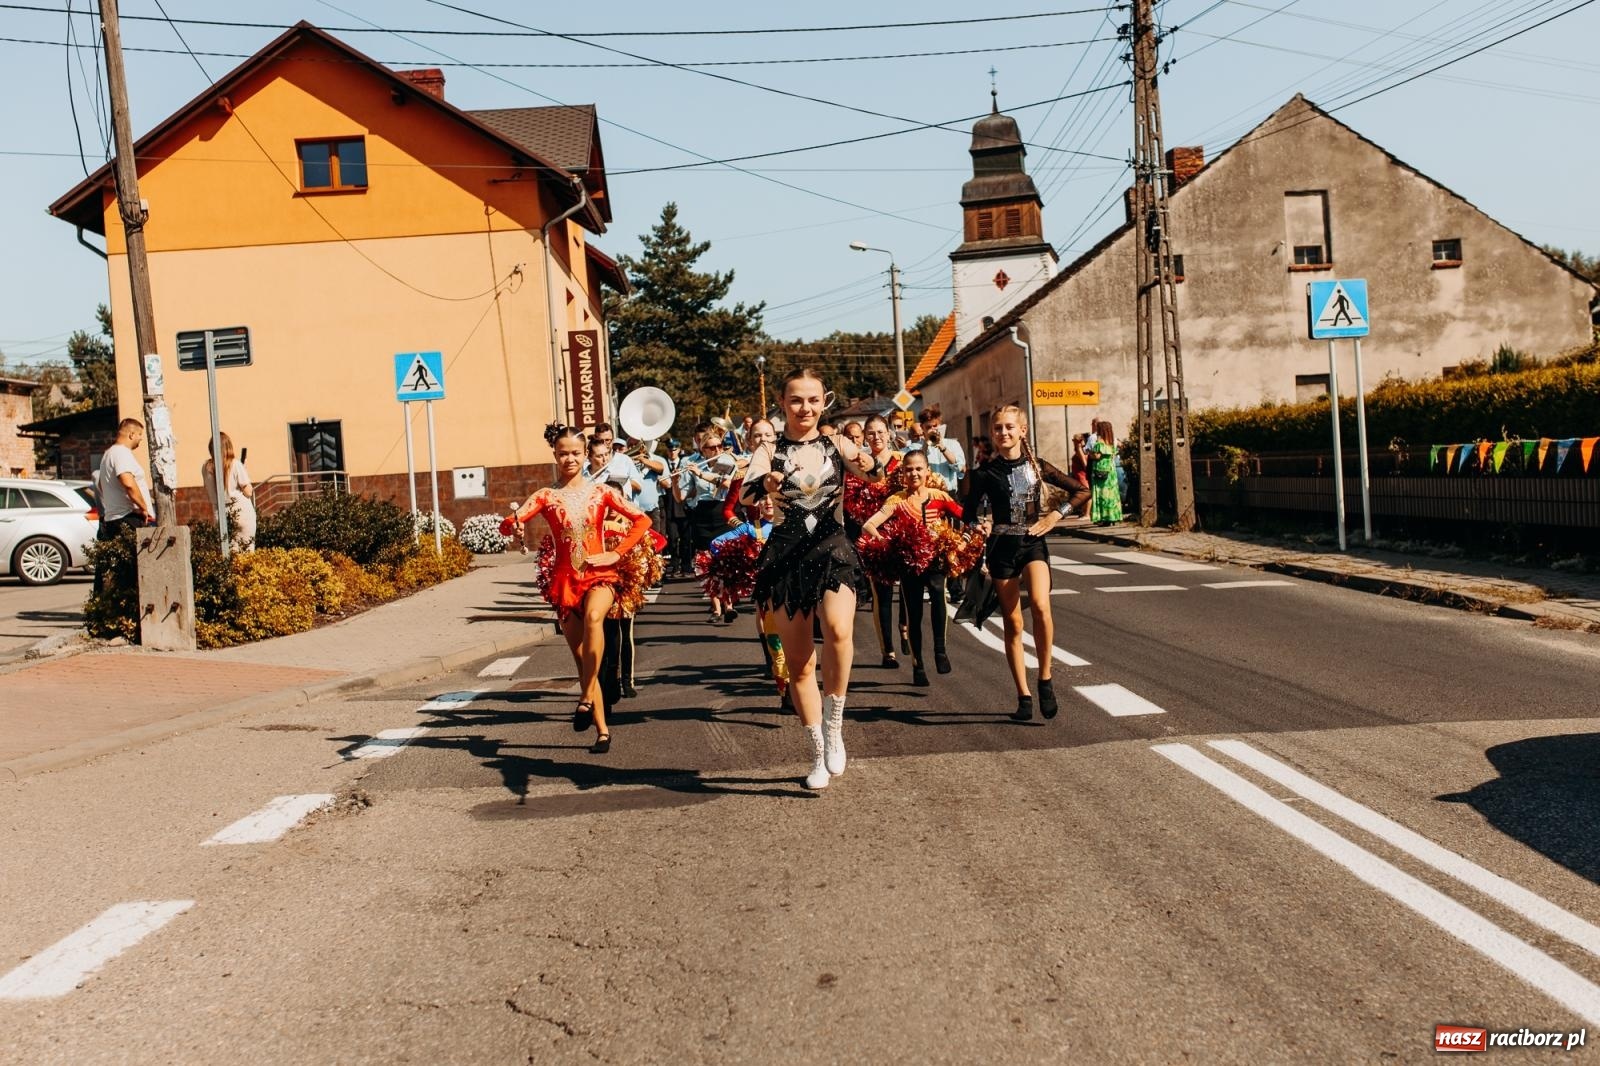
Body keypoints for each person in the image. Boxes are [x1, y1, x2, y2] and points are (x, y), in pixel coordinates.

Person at [741, 368, 878, 790]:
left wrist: (871, 454)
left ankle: (836, 721)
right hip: (785, 558)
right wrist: (765, 482)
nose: (806, 407)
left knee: (839, 630)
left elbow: (874, 473)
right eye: (797, 400)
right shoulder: (770, 449)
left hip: (832, 548)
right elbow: (747, 493)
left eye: (814, 399)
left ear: (825, 401)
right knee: (799, 663)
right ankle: (817, 749)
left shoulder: (837, 442)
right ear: (782, 404)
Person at [507, 424, 652, 753]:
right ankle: (602, 730)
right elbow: (517, 519)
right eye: (563, 453)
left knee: (594, 618)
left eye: (575, 452)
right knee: (582, 660)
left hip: (600, 573)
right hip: (564, 581)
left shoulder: (602, 492)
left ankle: (586, 696)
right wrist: (511, 521)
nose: (569, 458)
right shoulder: (546, 495)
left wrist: (616, 553)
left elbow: (642, 520)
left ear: (585, 455)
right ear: (555, 456)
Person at [964, 404, 1079, 721]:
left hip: (1032, 543)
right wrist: (979, 526)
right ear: (993, 434)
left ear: (1022, 431)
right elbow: (968, 512)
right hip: (1001, 547)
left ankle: (1044, 678)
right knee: (1013, 624)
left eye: (1009, 427)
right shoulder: (985, 473)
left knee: (1041, 605)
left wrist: (1056, 515)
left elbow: (1080, 490)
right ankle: (1023, 695)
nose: (1003, 433)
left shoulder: (1038, 468)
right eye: (998, 428)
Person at [861, 450, 963, 687]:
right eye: (909, 469)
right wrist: (888, 543)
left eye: (919, 469)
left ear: (927, 471)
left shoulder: (939, 496)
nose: (914, 473)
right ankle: (918, 664)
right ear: (903, 474)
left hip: (936, 561)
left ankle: (940, 650)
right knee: (914, 613)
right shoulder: (897, 500)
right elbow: (869, 525)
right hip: (910, 565)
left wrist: (961, 539)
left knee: (938, 593)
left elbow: (964, 516)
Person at [677, 423, 739, 622]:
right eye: (712, 448)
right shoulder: (693, 462)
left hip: (723, 511)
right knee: (708, 564)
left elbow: (727, 484)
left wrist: (701, 474)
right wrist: (675, 482)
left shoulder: (727, 462)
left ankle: (728, 605)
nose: (717, 450)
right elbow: (683, 496)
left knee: (726, 562)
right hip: (703, 513)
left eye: (719, 446)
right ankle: (716, 607)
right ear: (702, 449)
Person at [94, 418, 155, 594]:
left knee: (123, 570)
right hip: (129, 518)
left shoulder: (108, 455)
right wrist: (143, 506)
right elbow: (128, 482)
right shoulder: (121, 454)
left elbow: (100, 486)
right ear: (131, 434)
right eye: (140, 435)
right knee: (136, 571)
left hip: (116, 517)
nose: (140, 440)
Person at [202, 431, 256, 551]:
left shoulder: (206, 467)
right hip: (241, 511)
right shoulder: (235, 464)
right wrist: (244, 470)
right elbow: (248, 492)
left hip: (220, 513)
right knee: (247, 552)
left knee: (228, 553)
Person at [907, 404, 966, 490]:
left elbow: (960, 468)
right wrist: (926, 444)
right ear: (922, 427)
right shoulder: (915, 447)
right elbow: (916, 464)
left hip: (948, 493)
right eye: (928, 427)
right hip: (927, 493)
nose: (932, 429)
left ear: (940, 425)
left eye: (935, 426)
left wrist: (943, 448)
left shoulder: (953, 444)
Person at [1089, 420, 1125, 525]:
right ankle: (1113, 517)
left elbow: (1097, 456)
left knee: (1101, 494)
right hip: (1111, 471)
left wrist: (1090, 453)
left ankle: (1103, 518)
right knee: (1112, 494)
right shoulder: (1112, 442)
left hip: (1100, 470)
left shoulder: (1100, 442)